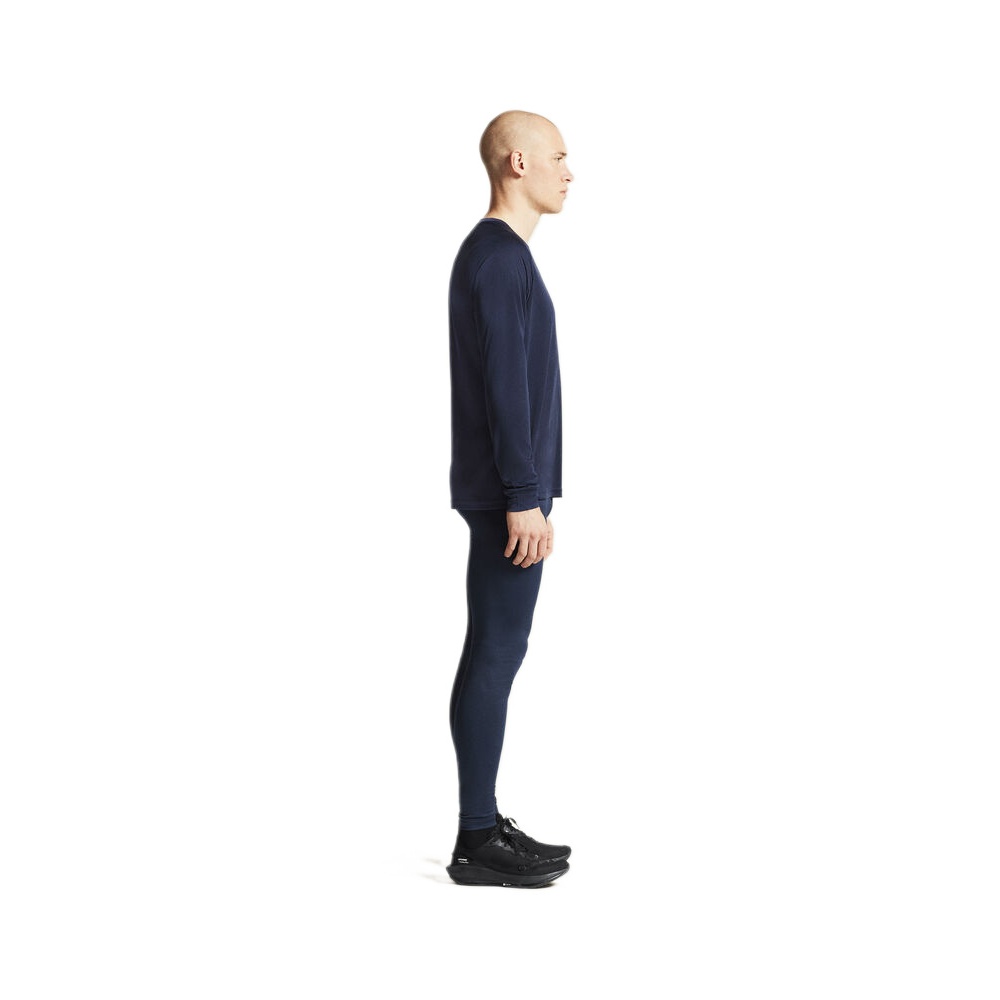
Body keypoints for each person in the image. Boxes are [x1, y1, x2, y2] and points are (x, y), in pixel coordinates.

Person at [446, 111, 574, 888]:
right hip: (506, 496)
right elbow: (505, 387)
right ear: (518, 163)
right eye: (558, 156)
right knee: (496, 649)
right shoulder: (497, 257)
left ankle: (481, 826)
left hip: (506, 490)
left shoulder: (502, 256)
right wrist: (524, 496)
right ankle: (476, 838)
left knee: (498, 647)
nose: (570, 171)